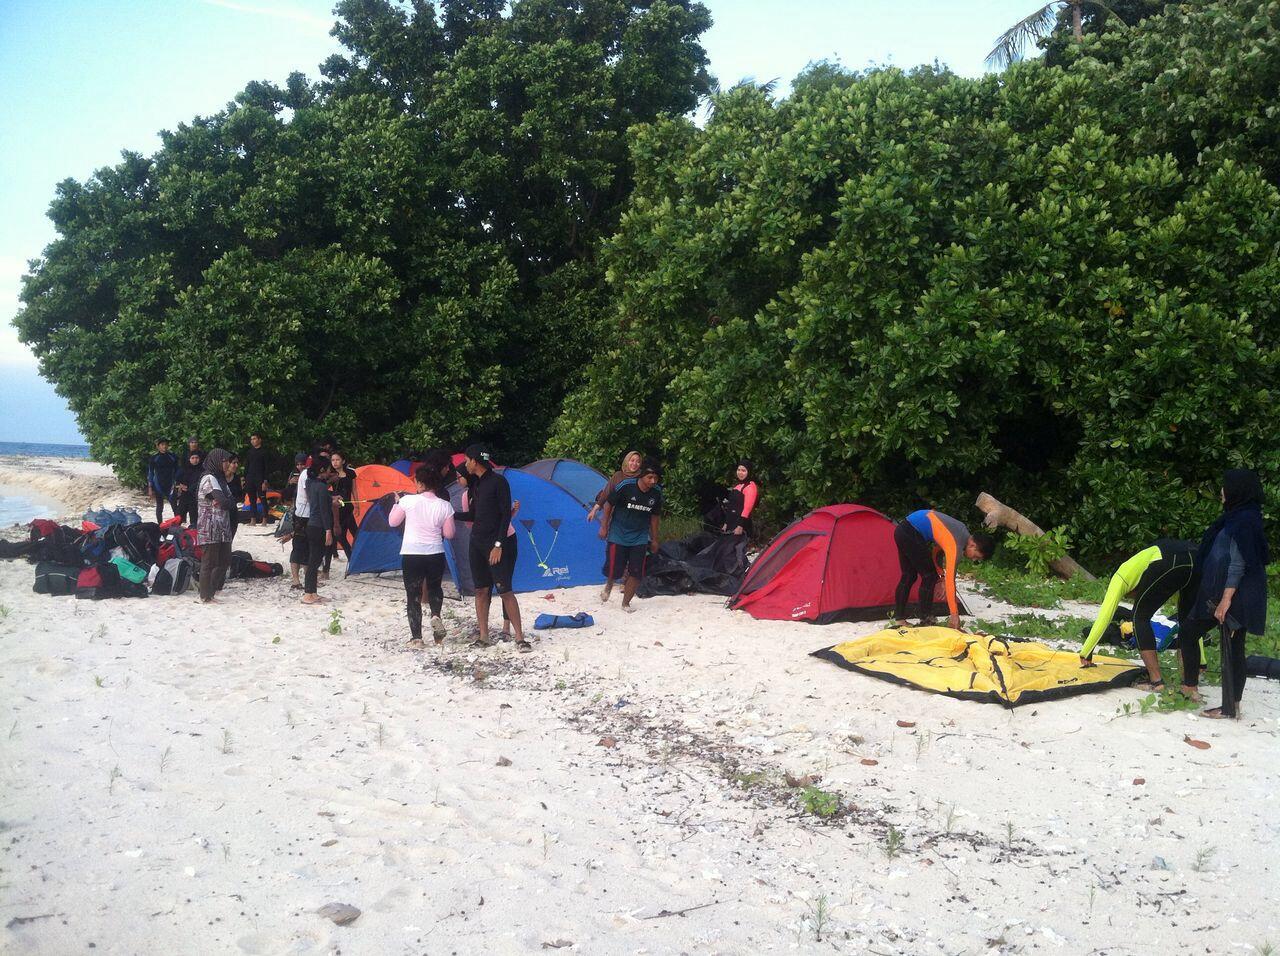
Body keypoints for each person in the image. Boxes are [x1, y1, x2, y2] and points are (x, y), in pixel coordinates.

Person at [1177, 469, 1270, 717]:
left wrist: (1226, 600)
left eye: (1225, 486)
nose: (1222, 491)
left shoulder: (1244, 521)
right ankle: (1191, 687)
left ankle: (1230, 707)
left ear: (1237, 490)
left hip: (1236, 595)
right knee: (1190, 631)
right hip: (1219, 593)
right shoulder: (1237, 516)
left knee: (1232, 646)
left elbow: (1240, 563)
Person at [1078, 539, 1199, 690]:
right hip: (1198, 557)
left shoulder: (1120, 577)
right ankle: (1190, 685)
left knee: (1140, 617)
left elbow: (1105, 616)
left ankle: (1156, 681)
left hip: (1168, 559)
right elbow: (1194, 624)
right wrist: (1202, 662)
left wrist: (1086, 652)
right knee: (1188, 619)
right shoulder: (1140, 566)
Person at [453, 443, 528, 651]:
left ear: (475, 461)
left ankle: (520, 638)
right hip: (476, 542)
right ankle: (483, 636)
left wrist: (498, 544)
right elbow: (475, 515)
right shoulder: (475, 485)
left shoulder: (498, 482)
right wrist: (451, 514)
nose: (466, 464)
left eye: (467, 460)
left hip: (495, 543)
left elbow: (504, 515)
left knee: (505, 590)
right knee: (481, 589)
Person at [388, 460, 456, 646]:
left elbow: (393, 522)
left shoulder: (407, 501)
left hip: (412, 553)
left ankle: (417, 637)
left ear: (420, 484)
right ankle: (435, 617)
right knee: (435, 588)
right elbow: (449, 534)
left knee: (413, 595)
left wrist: (396, 504)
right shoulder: (445, 506)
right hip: (435, 552)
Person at [893, 509, 996, 631]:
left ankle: (899, 619)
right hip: (911, 532)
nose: (973, 560)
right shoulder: (956, 545)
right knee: (930, 576)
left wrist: (941, 576)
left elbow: (936, 552)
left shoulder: (962, 532)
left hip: (902, 529)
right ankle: (926, 620)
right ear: (973, 545)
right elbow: (950, 581)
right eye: (976, 556)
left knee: (909, 576)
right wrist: (954, 615)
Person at [599, 458, 663, 613]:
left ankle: (625, 603)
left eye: (656, 478)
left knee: (636, 572)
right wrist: (604, 527)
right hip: (618, 533)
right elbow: (608, 505)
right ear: (641, 476)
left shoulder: (656, 493)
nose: (652, 481)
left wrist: (654, 539)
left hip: (640, 536)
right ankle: (609, 584)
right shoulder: (625, 486)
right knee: (615, 569)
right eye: (649, 478)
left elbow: (655, 517)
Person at [196, 448, 237, 603]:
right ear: (217, 461)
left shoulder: (220, 480)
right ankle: (205, 595)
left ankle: (210, 592)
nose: (227, 464)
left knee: (225, 560)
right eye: (225, 461)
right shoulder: (208, 478)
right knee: (209, 562)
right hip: (209, 527)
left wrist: (225, 501)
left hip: (223, 527)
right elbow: (226, 502)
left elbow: (232, 501)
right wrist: (224, 501)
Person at [302, 462, 334, 604]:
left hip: (312, 525)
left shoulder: (310, 483)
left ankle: (313, 592)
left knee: (314, 561)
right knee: (314, 561)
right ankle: (308, 593)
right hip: (318, 526)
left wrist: (331, 499)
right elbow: (324, 511)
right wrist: (328, 530)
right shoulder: (321, 487)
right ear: (322, 470)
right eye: (327, 470)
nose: (329, 473)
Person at [707, 459, 759, 537]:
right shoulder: (737, 486)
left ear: (749, 472)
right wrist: (726, 523)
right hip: (731, 523)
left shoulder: (750, 486)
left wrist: (740, 526)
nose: (740, 473)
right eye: (738, 470)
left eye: (743, 471)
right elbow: (731, 506)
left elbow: (747, 509)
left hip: (741, 525)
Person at [588, 450, 642, 523]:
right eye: (632, 460)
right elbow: (606, 492)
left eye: (638, 462)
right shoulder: (618, 475)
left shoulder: (642, 478)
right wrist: (594, 510)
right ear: (627, 461)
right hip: (614, 512)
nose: (635, 464)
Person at [329, 451, 360, 561]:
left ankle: (360, 555)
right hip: (336, 508)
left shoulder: (350, 473)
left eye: (337, 460)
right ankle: (349, 557)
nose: (335, 462)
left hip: (348, 507)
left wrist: (357, 504)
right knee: (340, 536)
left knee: (356, 533)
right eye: (333, 460)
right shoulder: (330, 474)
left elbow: (354, 489)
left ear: (343, 461)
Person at [288, 452, 311, 589]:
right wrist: (291, 484)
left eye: (302, 464)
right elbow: (286, 493)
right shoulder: (298, 475)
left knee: (307, 547)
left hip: (305, 514)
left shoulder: (308, 474)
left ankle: (307, 578)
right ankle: (295, 580)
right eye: (297, 464)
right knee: (298, 547)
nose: (300, 466)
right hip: (300, 514)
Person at [146, 439, 180, 523]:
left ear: (168, 446)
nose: (164, 446)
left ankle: (177, 526)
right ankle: (160, 526)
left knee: (175, 507)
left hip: (170, 485)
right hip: (158, 485)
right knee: (159, 507)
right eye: (162, 445)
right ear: (158, 446)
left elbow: (178, 472)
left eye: (166, 444)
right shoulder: (154, 458)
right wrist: (150, 488)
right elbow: (150, 473)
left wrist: (178, 484)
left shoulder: (173, 457)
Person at [243, 433, 271, 525]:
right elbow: (246, 466)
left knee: (262, 499)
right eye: (251, 439)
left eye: (254, 439)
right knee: (252, 499)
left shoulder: (264, 452)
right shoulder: (249, 452)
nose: (253, 441)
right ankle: (253, 519)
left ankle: (265, 519)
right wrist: (245, 478)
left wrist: (265, 481)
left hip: (260, 478)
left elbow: (267, 467)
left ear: (259, 440)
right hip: (250, 478)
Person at [176, 449, 205, 528]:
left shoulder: (202, 470)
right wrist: (179, 486)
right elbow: (176, 480)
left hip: (196, 497)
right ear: (189, 459)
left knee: (194, 521)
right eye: (193, 458)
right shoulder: (184, 469)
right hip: (184, 496)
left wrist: (190, 488)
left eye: (197, 458)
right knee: (178, 518)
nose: (195, 460)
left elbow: (201, 482)